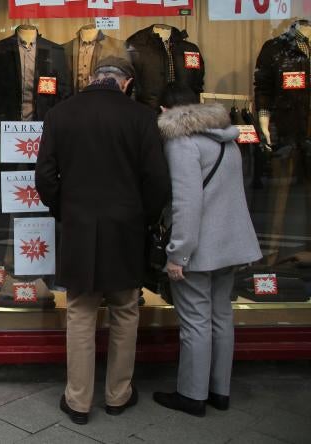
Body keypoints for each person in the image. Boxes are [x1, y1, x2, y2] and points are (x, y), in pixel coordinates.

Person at [35, 56, 171, 425]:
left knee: (80, 312)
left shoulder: (61, 114)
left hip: (79, 226)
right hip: (126, 229)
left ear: (93, 78)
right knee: (126, 310)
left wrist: (66, 209)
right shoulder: (141, 117)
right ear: (125, 83)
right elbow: (157, 181)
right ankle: (117, 395)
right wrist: (141, 216)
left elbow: (45, 176)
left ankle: (78, 401)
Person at [153, 83, 262, 417]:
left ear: (163, 111)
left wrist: (177, 255)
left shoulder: (181, 143)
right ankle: (220, 390)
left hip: (198, 249)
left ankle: (192, 395)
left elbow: (187, 204)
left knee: (196, 321)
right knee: (221, 317)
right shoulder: (225, 140)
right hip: (230, 246)